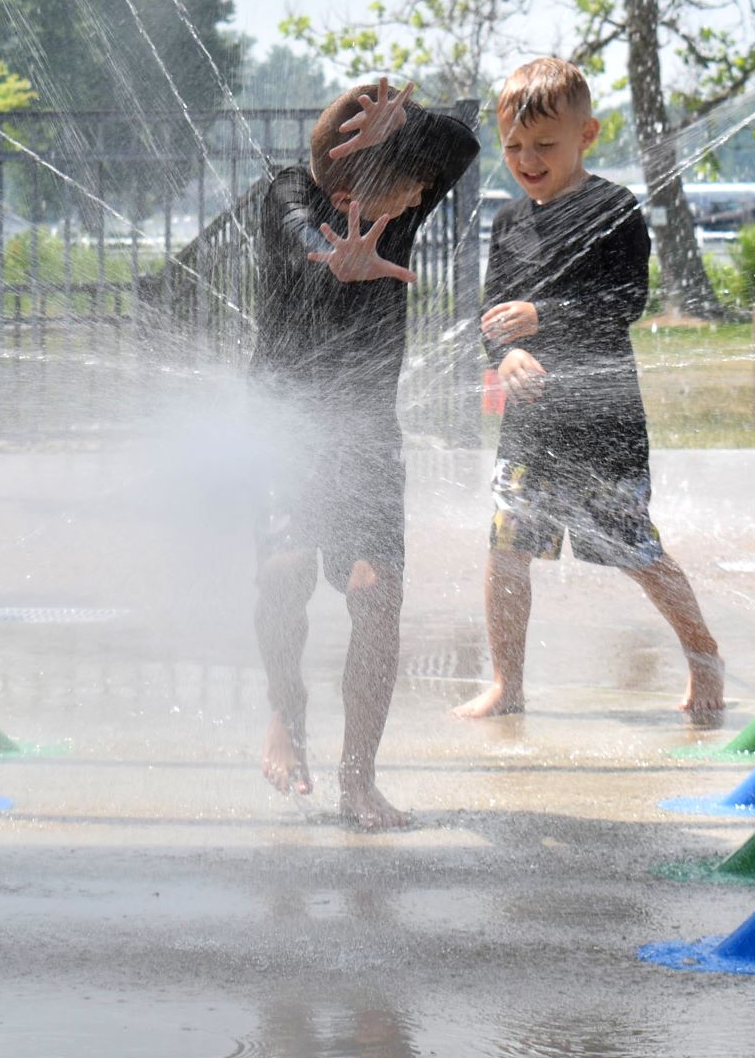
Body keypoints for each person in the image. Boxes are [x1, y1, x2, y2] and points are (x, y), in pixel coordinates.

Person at [452, 57, 723, 721]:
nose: (527, 159)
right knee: (507, 549)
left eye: (545, 144)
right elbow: (492, 314)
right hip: (530, 428)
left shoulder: (613, 208)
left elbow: (626, 300)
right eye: (514, 146)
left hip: (603, 425)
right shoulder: (508, 223)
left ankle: (704, 653)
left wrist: (543, 317)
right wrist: (506, 354)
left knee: (634, 549)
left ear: (588, 134)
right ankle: (507, 683)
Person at [253, 80, 481, 828]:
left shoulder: (399, 212)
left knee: (377, 598)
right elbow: (299, 229)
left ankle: (359, 778)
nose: (420, 198)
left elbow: (463, 145)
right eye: (409, 186)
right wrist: (333, 254)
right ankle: (285, 711)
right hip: (284, 429)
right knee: (284, 576)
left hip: (366, 433)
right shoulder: (287, 192)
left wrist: (406, 123)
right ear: (349, 190)